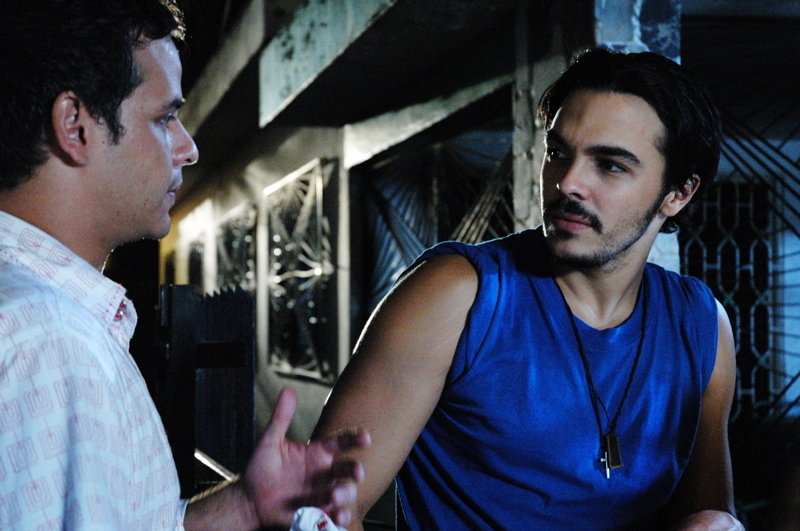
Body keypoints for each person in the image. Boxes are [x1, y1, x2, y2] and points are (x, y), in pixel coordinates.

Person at [312, 49, 744, 530]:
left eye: (609, 165)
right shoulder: (456, 294)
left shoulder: (702, 324)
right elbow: (323, 510)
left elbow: (709, 513)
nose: (567, 183)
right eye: (558, 152)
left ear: (678, 193)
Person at [0, 1, 369, 529]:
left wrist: (243, 507)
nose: (188, 149)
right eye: (164, 118)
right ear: (76, 126)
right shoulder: (45, 337)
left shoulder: (47, 318)